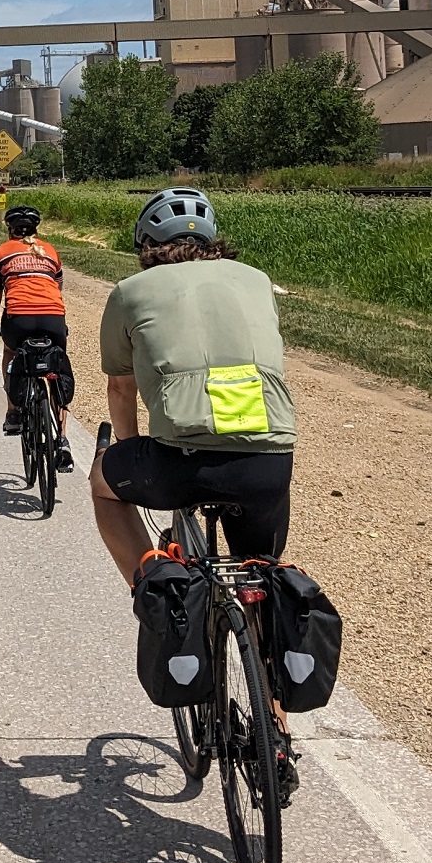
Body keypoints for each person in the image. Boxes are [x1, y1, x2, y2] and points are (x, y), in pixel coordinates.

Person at [90, 187, 294, 583]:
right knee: (258, 573)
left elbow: (120, 388)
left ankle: (147, 590)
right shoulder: (256, 280)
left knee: (102, 483)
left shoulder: (130, 291)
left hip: (179, 462)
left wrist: (130, 446)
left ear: (147, 244)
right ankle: (262, 633)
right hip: (268, 458)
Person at [0, 204, 72, 468]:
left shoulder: (0, 253)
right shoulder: (51, 251)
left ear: (9, 229)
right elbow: (57, 288)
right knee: (56, 365)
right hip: (53, 317)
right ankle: (63, 441)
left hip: (19, 319)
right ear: (37, 229)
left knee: (11, 353)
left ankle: (13, 411)